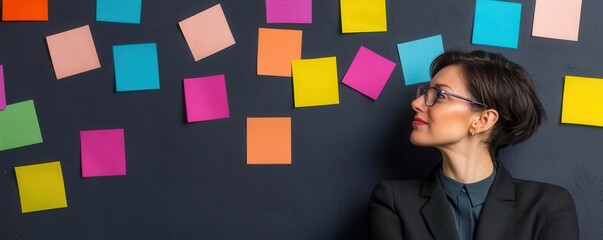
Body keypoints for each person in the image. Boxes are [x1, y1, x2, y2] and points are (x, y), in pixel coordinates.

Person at [369, 50, 579, 240]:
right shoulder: (393, 200)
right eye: (425, 92)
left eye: (439, 95)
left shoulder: (548, 206)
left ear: (483, 120)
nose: (416, 103)